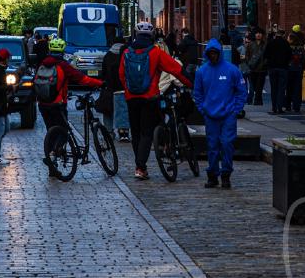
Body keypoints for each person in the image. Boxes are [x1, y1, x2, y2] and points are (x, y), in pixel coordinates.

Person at [120, 24, 190, 180]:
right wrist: (192, 84)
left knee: (136, 132)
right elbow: (175, 70)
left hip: (131, 99)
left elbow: (121, 75)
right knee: (147, 132)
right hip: (150, 98)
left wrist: (129, 90)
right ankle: (140, 167)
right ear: (151, 36)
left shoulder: (126, 53)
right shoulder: (155, 52)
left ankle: (140, 167)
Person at [35, 37, 103, 173]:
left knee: (51, 132)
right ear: (62, 51)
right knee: (63, 132)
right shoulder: (63, 65)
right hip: (58, 104)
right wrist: (100, 83)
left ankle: (52, 169)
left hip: (43, 104)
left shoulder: (42, 64)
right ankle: (53, 155)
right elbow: (82, 79)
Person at [193, 38, 247, 189]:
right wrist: (202, 109)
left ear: (219, 53)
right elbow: (197, 93)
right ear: (207, 54)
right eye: (210, 53)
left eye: (215, 53)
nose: (213, 56)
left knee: (227, 144)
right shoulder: (202, 72)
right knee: (212, 146)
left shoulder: (232, 70)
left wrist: (236, 110)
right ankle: (213, 175)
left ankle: (225, 174)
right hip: (211, 115)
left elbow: (242, 91)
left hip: (228, 114)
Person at [96, 35, 128, 137]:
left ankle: (109, 131)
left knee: (107, 110)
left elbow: (103, 73)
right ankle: (123, 132)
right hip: (123, 87)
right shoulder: (127, 54)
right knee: (123, 110)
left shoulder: (108, 55)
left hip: (109, 88)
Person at [264, 27, 292, 114]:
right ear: (283, 35)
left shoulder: (270, 43)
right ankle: (279, 107)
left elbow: (265, 55)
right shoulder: (286, 43)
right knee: (281, 88)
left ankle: (274, 107)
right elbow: (289, 56)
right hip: (283, 68)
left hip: (272, 68)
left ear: (276, 34)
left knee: (274, 88)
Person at [244, 28, 267, 106]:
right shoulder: (250, 44)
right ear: (254, 34)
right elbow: (247, 56)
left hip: (262, 69)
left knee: (259, 86)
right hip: (252, 69)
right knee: (254, 85)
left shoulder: (265, 44)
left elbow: (267, 56)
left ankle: (258, 101)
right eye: (257, 33)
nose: (258, 34)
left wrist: (265, 64)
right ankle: (256, 100)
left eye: (260, 33)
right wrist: (249, 63)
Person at [286, 29, 305, 115]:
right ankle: (296, 106)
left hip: (289, 69)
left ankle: (288, 105)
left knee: (289, 88)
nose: (287, 39)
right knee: (297, 88)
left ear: (292, 40)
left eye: (288, 38)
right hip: (298, 69)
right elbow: (304, 60)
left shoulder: (288, 48)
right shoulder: (301, 49)